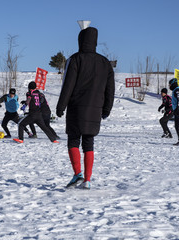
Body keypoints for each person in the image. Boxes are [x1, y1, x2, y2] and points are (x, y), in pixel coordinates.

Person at [56, 27, 115, 189]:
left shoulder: (75, 59)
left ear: (80, 40)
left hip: (76, 107)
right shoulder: (105, 63)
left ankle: (77, 174)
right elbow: (110, 88)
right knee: (89, 142)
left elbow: (68, 85)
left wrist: (61, 106)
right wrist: (107, 108)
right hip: (95, 108)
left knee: (73, 140)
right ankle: (88, 180)